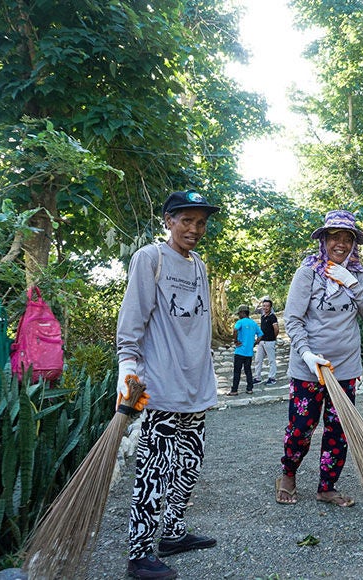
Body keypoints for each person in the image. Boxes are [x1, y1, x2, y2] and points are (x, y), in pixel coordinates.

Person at [116, 190, 221, 579]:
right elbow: (133, 320)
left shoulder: (198, 265)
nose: (194, 229)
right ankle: (139, 553)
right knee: (154, 469)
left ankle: (173, 532)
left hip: (195, 387)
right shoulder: (150, 258)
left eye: (201, 222)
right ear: (168, 221)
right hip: (160, 386)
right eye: (186, 220)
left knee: (189, 464)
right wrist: (128, 367)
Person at [276, 210, 363, 507]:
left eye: (348, 238)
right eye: (335, 236)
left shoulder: (356, 273)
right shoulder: (307, 271)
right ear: (324, 239)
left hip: (344, 368)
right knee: (301, 427)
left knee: (339, 429)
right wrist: (307, 355)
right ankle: (288, 474)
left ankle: (327, 486)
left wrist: (352, 283)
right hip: (310, 367)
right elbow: (293, 319)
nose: (341, 244)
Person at [230, 305, 262, 395]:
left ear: (243, 313)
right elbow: (260, 335)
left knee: (237, 371)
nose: (238, 315)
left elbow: (235, 330)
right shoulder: (253, 323)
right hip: (249, 352)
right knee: (248, 371)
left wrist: (235, 340)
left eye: (239, 313)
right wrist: (254, 343)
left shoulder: (240, 322)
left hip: (240, 351)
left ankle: (234, 390)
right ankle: (249, 388)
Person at [253, 297, 280, 385]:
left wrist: (273, 337)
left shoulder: (272, 317)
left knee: (271, 360)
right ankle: (257, 377)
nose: (265, 308)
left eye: (267, 306)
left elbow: (276, 329)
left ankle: (272, 378)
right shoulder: (263, 316)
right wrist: (257, 341)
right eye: (264, 306)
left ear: (270, 307)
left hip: (269, 342)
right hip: (261, 341)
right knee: (258, 360)